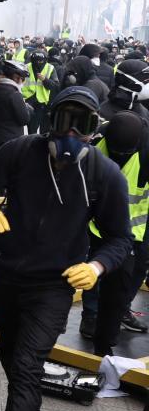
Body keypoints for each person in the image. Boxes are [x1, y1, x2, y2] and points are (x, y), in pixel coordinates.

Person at [0, 86, 132, 411]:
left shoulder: (104, 174)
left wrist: (97, 266)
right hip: (7, 273)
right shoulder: (18, 153)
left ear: (93, 129)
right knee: (12, 358)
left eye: (80, 125)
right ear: (50, 122)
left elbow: (121, 238)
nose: (71, 134)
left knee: (26, 362)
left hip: (56, 282)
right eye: (65, 121)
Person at [80, 111, 149, 356]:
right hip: (98, 224)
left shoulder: (146, 151)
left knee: (127, 279)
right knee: (92, 272)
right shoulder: (100, 140)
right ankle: (90, 316)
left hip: (134, 230)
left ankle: (118, 315)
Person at [22, 51, 58, 135]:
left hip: (42, 102)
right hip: (28, 100)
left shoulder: (50, 68)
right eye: (36, 61)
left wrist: (45, 80)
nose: (38, 63)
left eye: (40, 61)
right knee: (31, 128)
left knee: (42, 128)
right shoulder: (26, 67)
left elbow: (55, 86)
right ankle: (31, 143)